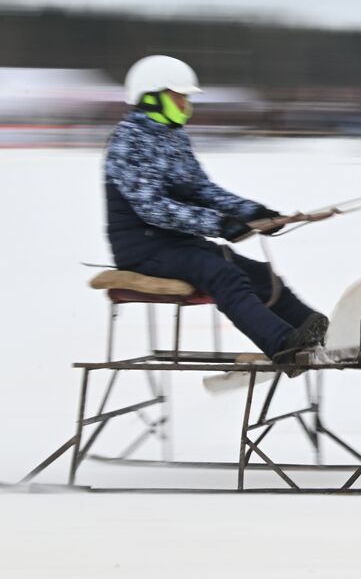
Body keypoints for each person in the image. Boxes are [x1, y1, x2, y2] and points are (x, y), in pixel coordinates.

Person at [104, 55, 327, 366]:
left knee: (261, 274)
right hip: (143, 248)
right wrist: (219, 224)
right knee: (223, 275)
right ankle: (283, 345)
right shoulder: (129, 142)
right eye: (179, 96)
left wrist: (252, 212)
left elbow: (202, 190)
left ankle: (316, 333)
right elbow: (151, 207)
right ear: (152, 97)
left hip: (180, 245)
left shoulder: (173, 138)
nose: (185, 104)